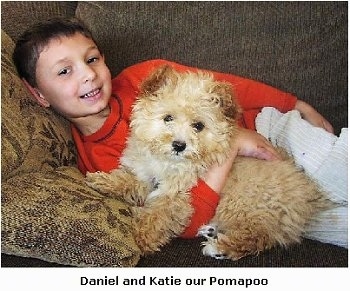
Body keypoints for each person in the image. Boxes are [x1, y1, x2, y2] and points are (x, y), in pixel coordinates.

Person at [13, 18, 345, 244]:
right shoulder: (98, 161)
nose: (87, 75)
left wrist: (295, 103)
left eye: (92, 59)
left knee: (334, 166)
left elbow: (232, 89)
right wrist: (231, 146)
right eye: (65, 71)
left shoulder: (146, 78)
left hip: (267, 126)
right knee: (321, 223)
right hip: (250, 183)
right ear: (39, 95)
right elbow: (184, 214)